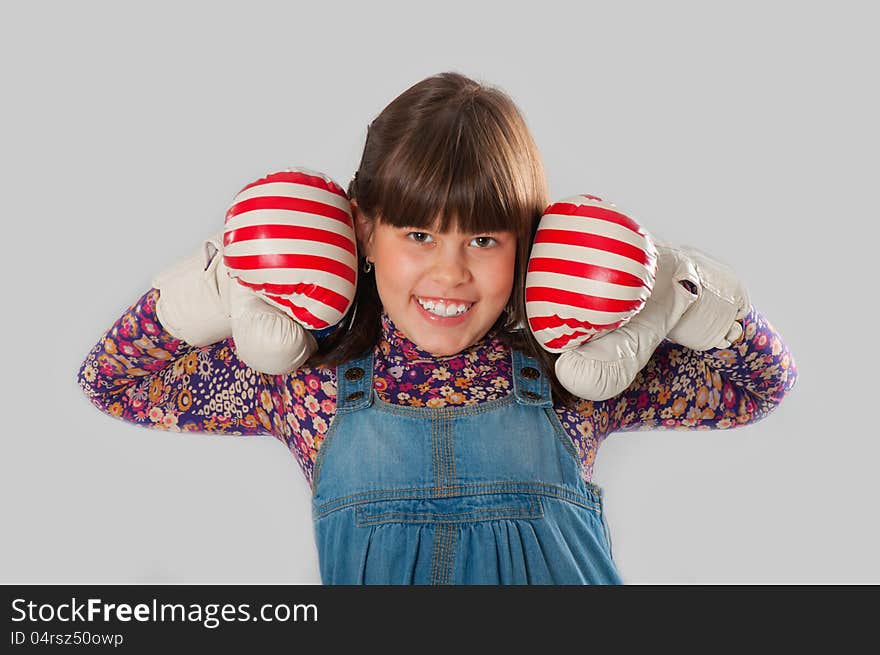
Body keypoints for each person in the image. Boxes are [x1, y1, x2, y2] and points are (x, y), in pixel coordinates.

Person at [76, 71, 798, 584]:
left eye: (484, 240)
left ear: (527, 242)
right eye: (418, 234)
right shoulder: (309, 385)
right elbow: (112, 382)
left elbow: (759, 386)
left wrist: (681, 292)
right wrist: (210, 286)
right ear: (362, 231)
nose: (450, 275)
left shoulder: (573, 375)